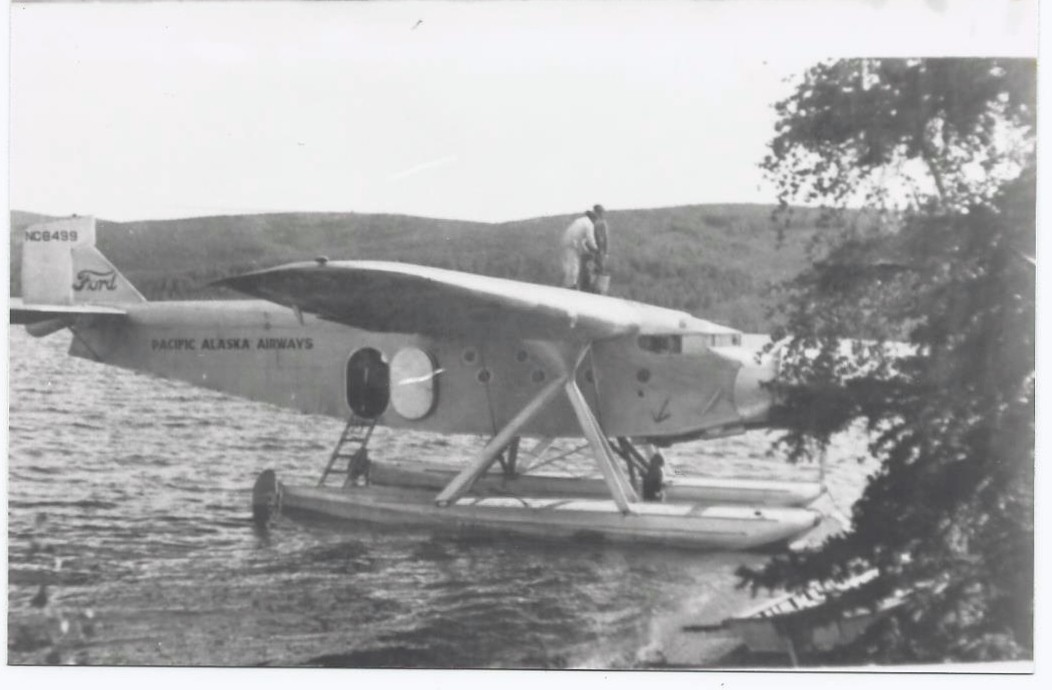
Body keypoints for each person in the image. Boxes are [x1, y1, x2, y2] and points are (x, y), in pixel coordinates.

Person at [561, 210, 598, 289]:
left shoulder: (580, 221)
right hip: (572, 243)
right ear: (593, 218)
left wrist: (585, 249)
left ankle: (568, 283)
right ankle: (571, 285)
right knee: (574, 265)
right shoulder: (589, 224)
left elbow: (581, 239)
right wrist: (595, 248)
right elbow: (590, 239)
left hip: (567, 240)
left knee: (569, 264)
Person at [590, 204, 610, 294]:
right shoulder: (601, 223)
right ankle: (599, 290)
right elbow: (605, 237)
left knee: (597, 268)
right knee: (600, 268)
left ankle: (597, 289)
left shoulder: (595, 222)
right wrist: (605, 251)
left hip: (596, 248)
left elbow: (604, 238)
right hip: (599, 249)